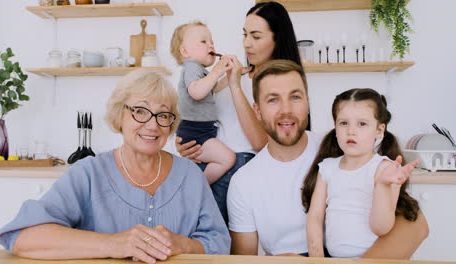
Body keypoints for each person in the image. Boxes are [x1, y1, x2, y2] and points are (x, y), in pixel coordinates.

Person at [0, 70, 230, 263]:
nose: (152, 125)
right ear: (120, 115)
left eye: (163, 115)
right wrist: (114, 243)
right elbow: (24, 237)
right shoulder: (88, 173)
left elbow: (220, 243)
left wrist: (183, 244)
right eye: (140, 111)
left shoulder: (190, 175)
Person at [227, 59, 428, 258]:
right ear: (258, 110)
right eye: (273, 99)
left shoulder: (345, 148)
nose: (286, 110)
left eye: (295, 97)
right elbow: (244, 259)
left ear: (307, 103)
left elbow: (415, 223)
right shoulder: (244, 182)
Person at [176, 1, 308, 224]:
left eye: (256, 37)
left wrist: (235, 85)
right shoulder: (234, 75)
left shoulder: (280, 84)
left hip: (242, 168)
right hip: (211, 165)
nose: (247, 44)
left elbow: (259, 142)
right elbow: (202, 113)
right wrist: (186, 144)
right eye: (245, 34)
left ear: (277, 39)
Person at [303, 88, 421, 258]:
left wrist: (382, 185)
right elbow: (315, 217)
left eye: (362, 124)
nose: (351, 131)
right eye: (343, 123)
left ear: (379, 131)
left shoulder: (385, 169)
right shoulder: (327, 168)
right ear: (335, 127)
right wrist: (317, 259)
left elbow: (381, 227)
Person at [170, 21, 236, 184]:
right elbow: (197, 92)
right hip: (195, 131)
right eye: (204, 41)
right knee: (228, 158)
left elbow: (213, 88)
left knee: (224, 158)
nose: (211, 45)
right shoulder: (192, 68)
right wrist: (217, 71)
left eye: (212, 41)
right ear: (185, 51)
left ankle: (196, 183)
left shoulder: (201, 71)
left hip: (200, 130)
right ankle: (199, 186)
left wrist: (232, 75)